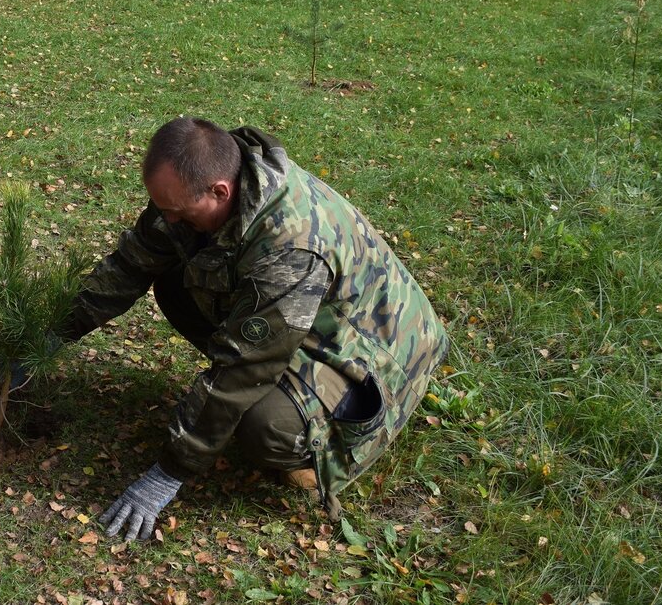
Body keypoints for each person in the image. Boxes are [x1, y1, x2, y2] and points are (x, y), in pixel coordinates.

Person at [55, 117, 448, 540]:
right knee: (175, 281)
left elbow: (245, 365)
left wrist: (166, 475)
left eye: (176, 212)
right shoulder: (194, 186)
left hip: (377, 350)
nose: (166, 219)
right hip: (307, 315)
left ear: (219, 191)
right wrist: (52, 333)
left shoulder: (289, 245)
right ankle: (277, 389)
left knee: (266, 426)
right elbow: (133, 263)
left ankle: (313, 445)